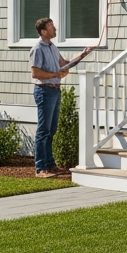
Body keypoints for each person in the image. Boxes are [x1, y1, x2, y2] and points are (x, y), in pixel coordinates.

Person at [29, 17, 93, 176]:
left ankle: (50, 165)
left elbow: (64, 63)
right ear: (43, 31)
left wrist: (83, 54)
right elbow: (35, 73)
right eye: (51, 26)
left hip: (55, 91)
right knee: (43, 130)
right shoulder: (38, 49)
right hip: (44, 91)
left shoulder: (52, 47)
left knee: (51, 130)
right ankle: (41, 168)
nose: (55, 28)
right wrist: (55, 74)